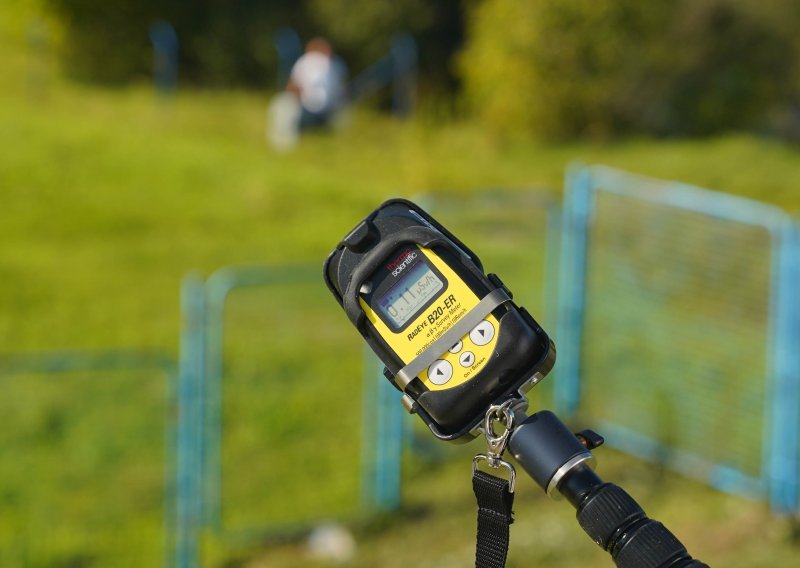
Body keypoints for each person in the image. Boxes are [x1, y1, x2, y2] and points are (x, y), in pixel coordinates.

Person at [267, 37, 347, 150]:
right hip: (323, 109)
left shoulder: (308, 62)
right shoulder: (336, 65)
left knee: (282, 104)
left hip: (316, 110)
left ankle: (282, 144)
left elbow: (293, 86)